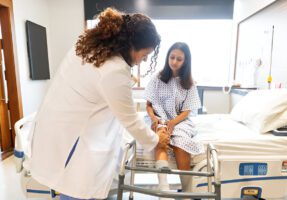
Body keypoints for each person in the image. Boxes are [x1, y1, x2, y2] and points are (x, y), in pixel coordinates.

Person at [27, 7, 169, 200]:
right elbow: (131, 121)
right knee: (76, 186)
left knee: (72, 187)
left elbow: (96, 86)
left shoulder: (89, 49)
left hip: (57, 127)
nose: (142, 61)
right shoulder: (115, 70)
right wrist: (155, 139)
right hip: (73, 141)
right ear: (131, 45)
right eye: (143, 55)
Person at [145, 42, 203, 198]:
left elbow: (187, 111)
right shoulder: (157, 78)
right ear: (167, 57)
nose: (174, 61)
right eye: (172, 57)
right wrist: (155, 118)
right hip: (159, 118)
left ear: (185, 61)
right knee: (160, 139)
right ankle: (164, 189)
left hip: (180, 120)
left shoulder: (189, 83)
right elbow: (149, 105)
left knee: (181, 143)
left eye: (179, 59)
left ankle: (186, 192)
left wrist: (173, 123)